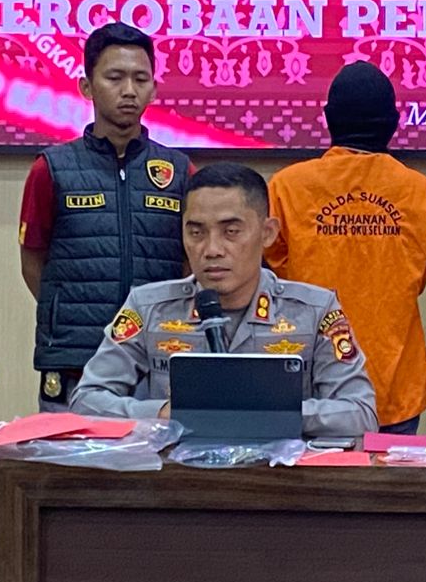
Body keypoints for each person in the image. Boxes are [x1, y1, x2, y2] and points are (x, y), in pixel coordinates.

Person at [70, 163, 378, 437]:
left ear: (268, 233)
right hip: (176, 476)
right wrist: (165, 414)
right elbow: (86, 400)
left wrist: (265, 413)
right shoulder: (148, 307)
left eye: (231, 231)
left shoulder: (314, 311)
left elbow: (361, 414)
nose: (212, 250)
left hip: (277, 478)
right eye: (196, 233)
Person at [18, 22, 191, 411]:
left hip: (156, 359)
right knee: (71, 452)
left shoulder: (179, 171)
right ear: (86, 86)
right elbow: (33, 260)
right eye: (115, 78)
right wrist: (70, 312)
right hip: (74, 357)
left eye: (140, 79)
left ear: (154, 89)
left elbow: (187, 262)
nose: (129, 90)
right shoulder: (51, 169)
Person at [266, 62, 426, 434]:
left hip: (310, 385)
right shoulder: (423, 193)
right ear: (394, 122)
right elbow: (418, 278)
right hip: (394, 383)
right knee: (390, 476)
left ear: (328, 118)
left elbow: (276, 275)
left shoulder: (285, 188)